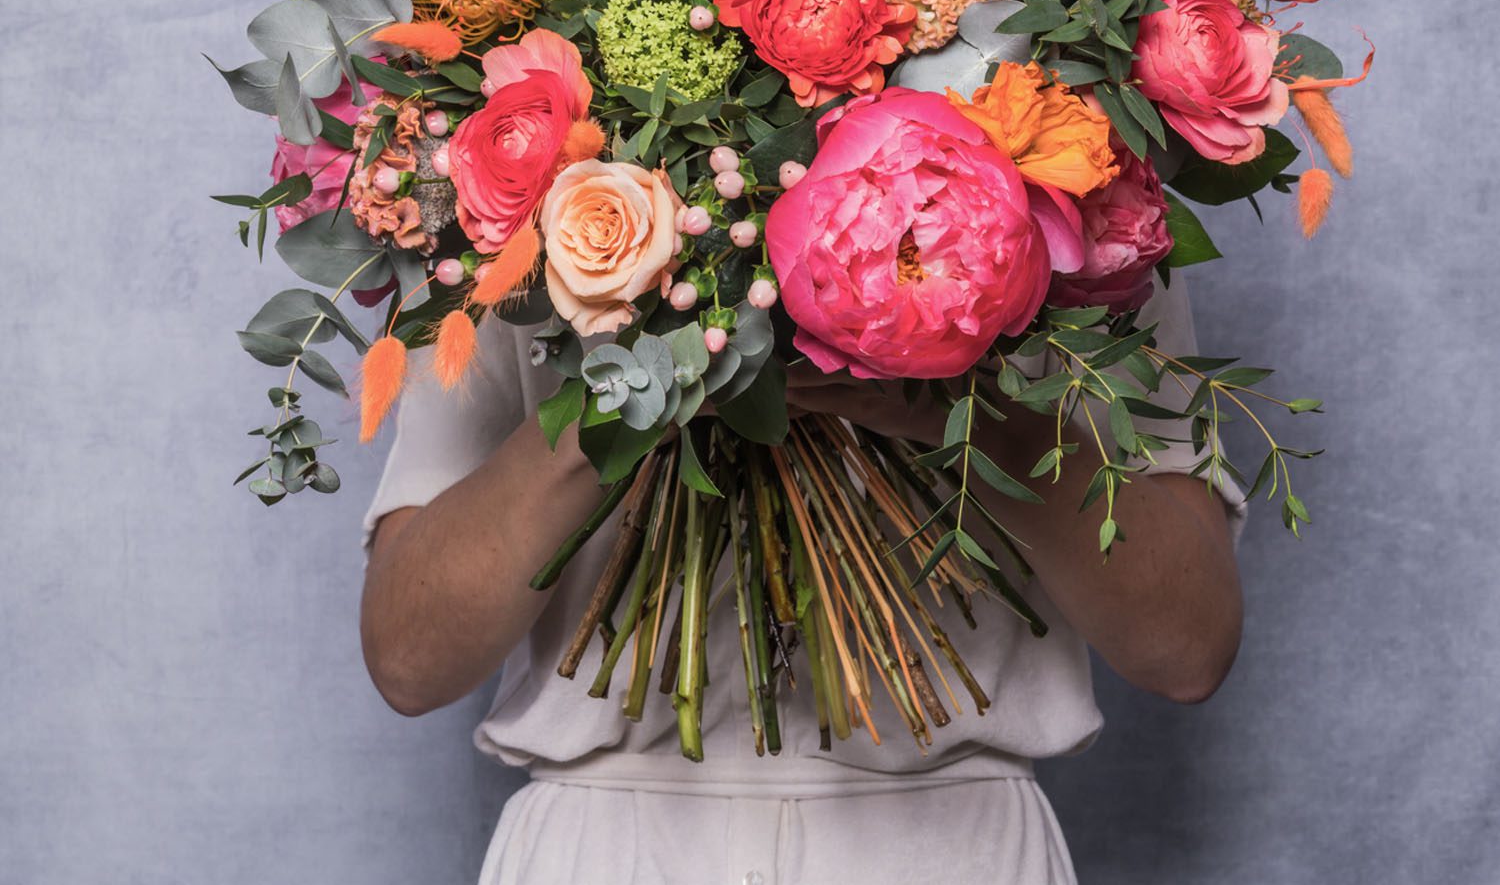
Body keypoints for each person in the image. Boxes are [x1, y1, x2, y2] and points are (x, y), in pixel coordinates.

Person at [360, 273, 1245, 885]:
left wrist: (965, 409)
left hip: (950, 845)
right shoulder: (495, 188)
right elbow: (408, 660)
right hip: (602, 847)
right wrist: (626, 386)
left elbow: (1189, 648)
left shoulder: (1082, 155)